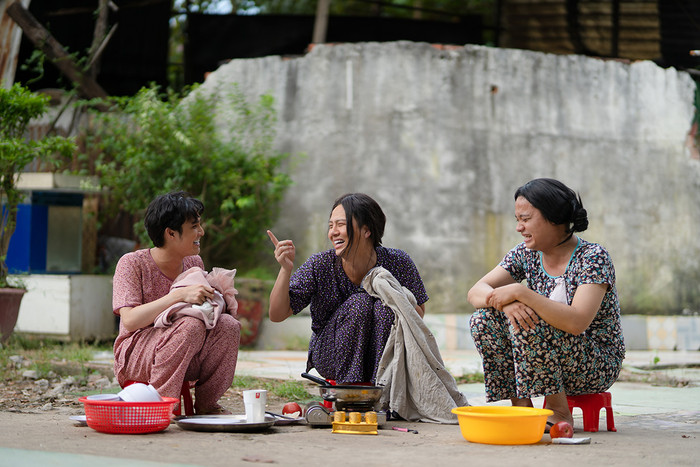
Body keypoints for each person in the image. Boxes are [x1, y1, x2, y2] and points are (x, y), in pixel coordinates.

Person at [467, 178, 625, 429]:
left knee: (530, 318)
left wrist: (521, 293)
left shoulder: (593, 257)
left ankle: (559, 412)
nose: (519, 227)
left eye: (526, 219)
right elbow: (476, 292)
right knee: (483, 320)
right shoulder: (525, 253)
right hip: (544, 358)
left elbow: (576, 322)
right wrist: (506, 304)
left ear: (553, 218)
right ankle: (521, 408)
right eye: (517, 219)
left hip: (594, 363)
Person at [267, 193, 428, 384]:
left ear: (366, 230)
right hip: (330, 355)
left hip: (382, 355)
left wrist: (391, 294)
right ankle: (351, 394)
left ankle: (383, 390)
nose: (333, 232)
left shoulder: (398, 262)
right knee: (360, 302)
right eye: (330, 225)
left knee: (384, 308)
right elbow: (277, 314)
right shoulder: (320, 264)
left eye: (340, 225)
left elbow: (418, 314)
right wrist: (286, 269)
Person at [112, 191, 240, 414]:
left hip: (184, 348)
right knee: (191, 325)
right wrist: (178, 296)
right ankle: (162, 404)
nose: (201, 232)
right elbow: (130, 321)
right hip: (137, 354)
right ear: (171, 233)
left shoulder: (193, 261)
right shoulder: (132, 263)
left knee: (229, 325)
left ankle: (207, 405)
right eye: (194, 227)